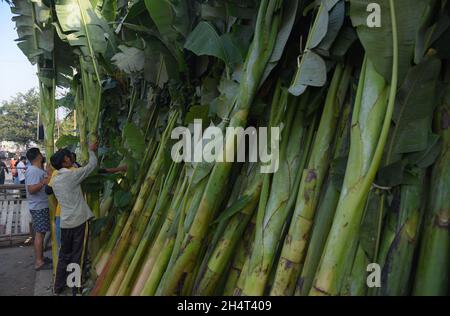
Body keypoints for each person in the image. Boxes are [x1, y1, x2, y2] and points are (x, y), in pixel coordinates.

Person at [50, 143, 98, 295]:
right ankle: (74, 289)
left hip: (65, 223)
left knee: (64, 255)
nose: (71, 157)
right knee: (78, 255)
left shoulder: (56, 180)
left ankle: (57, 288)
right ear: (65, 161)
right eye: (68, 156)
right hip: (79, 222)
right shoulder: (73, 175)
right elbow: (92, 166)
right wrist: (91, 150)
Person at [25, 148, 52, 271]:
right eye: (41, 154)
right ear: (38, 156)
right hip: (38, 206)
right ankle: (39, 262)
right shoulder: (33, 171)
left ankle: (40, 257)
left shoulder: (37, 170)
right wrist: (43, 182)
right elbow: (31, 189)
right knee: (39, 234)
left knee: (40, 233)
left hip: (40, 206)